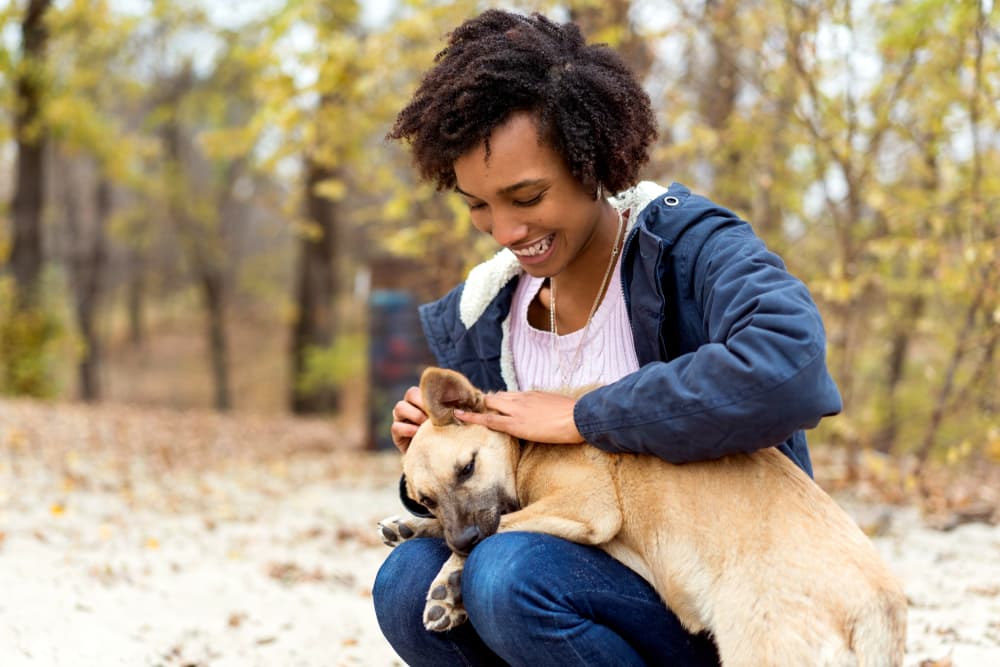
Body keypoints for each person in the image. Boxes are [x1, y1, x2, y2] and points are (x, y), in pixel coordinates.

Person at [373, 9, 842, 666]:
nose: (504, 229)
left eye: (526, 196)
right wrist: (429, 452)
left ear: (591, 158)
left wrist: (586, 413)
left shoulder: (688, 249)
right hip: (573, 582)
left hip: (736, 602)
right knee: (405, 582)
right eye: (478, 203)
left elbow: (789, 367)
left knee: (506, 575)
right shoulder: (486, 314)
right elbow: (502, 483)